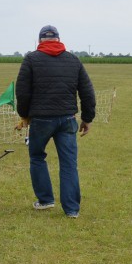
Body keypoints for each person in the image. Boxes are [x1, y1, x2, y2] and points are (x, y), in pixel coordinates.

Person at [15, 24, 96, 218]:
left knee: (36, 157)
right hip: (68, 119)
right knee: (69, 163)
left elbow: (22, 92)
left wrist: (24, 115)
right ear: (58, 40)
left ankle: (46, 200)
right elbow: (87, 92)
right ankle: (72, 210)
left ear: (40, 40)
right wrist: (87, 118)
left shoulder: (31, 59)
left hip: (41, 120)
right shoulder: (73, 60)